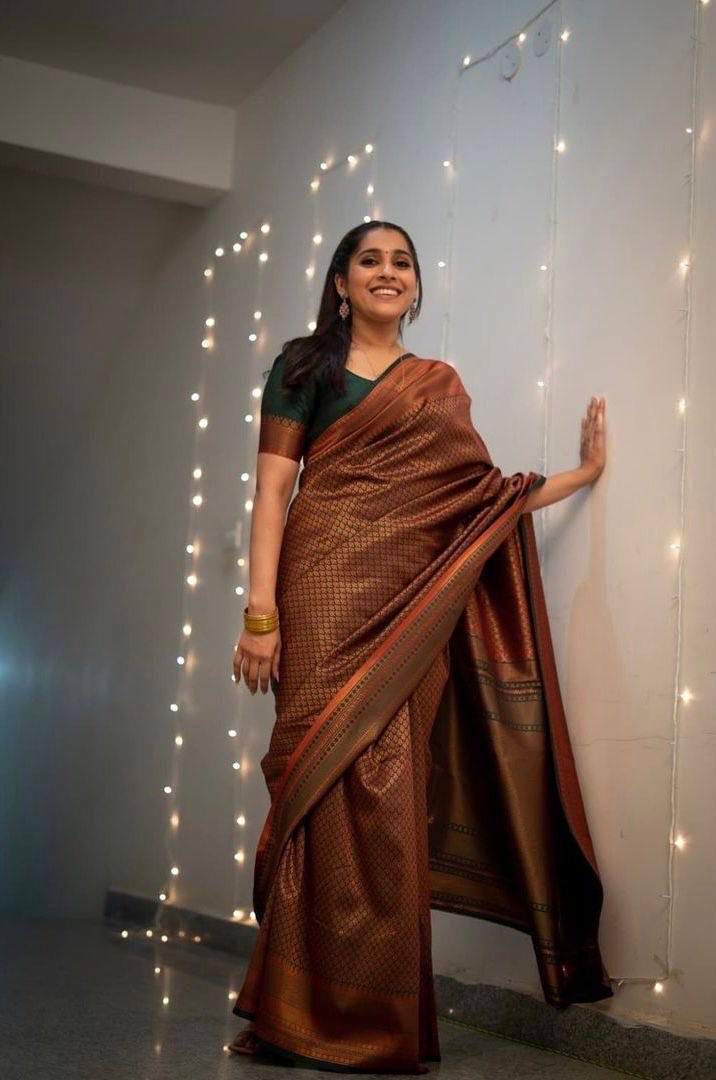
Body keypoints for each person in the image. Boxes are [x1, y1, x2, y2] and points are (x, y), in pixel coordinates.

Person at [228, 220, 610, 1073]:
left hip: (412, 612)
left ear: (416, 285)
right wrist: (260, 612)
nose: (387, 272)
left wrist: (580, 476)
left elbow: (480, 503)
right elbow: (272, 490)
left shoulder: (438, 388)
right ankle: (293, 1014)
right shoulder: (304, 368)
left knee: (391, 795)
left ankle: (373, 1018)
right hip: (321, 594)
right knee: (316, 786)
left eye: (402, 262)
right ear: (340, 282)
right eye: (370, 260)